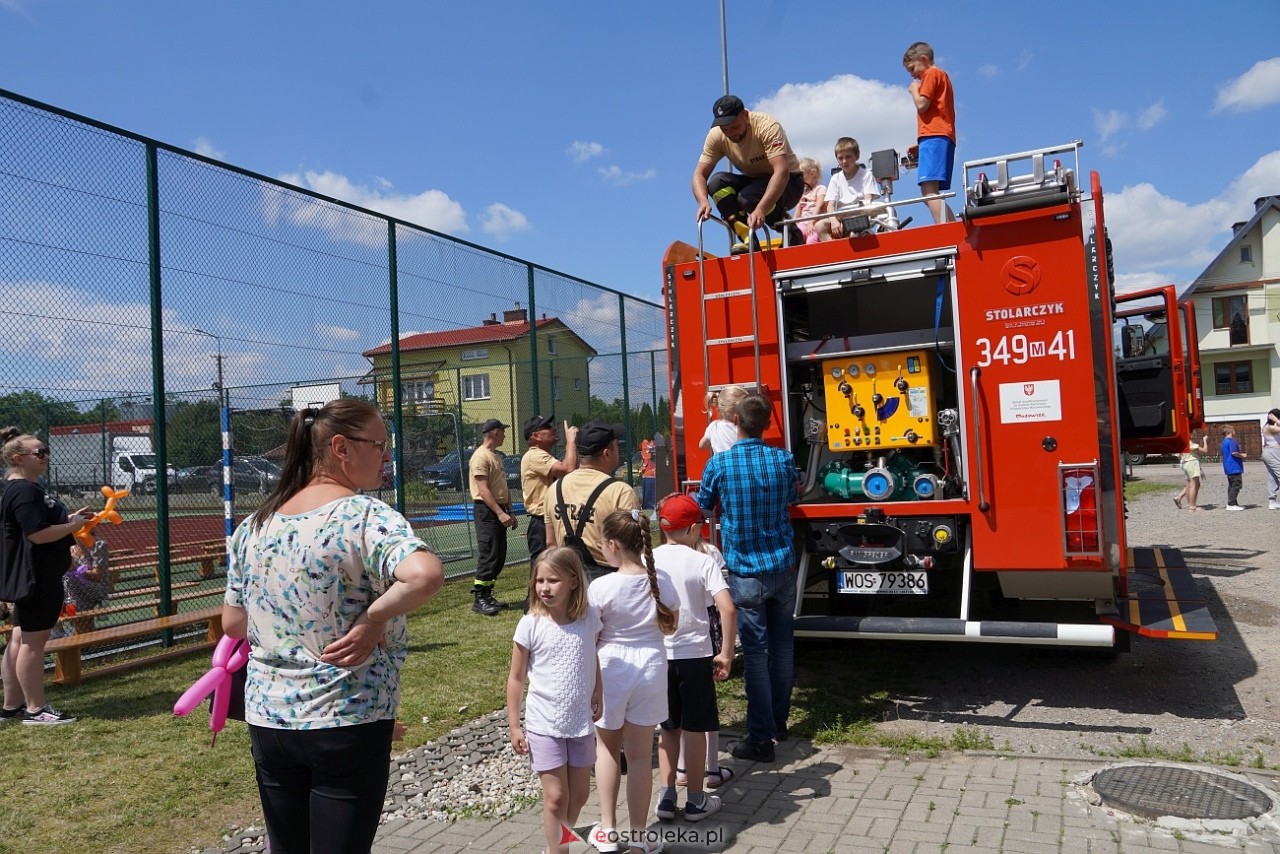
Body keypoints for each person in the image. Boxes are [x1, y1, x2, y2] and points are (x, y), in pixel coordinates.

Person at [222, 400, 444, 854]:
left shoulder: (255, 524)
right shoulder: (364, 516)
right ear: (341, 447)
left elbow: (233, 621)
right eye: (380, 445)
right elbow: (424, 575)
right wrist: (372, 618)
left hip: (270, 718)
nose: (388, 456)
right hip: (347, 715)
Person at [695, 393, 798, 763]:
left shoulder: (720, 464)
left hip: (746, 568)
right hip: (782, 565)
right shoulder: (783, 459)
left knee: (756, 652)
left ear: (734, 419)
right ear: (768, 423)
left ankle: (760, 737)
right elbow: (790, 497)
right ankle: (778, 721)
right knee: (783, 644)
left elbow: (703, 507)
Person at [587, 509, 678, 854]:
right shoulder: (661, 580)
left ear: (612, 544)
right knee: (640, 756)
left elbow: (591, 635)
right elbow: (671, 624)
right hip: (653, 666)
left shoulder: (601, 586)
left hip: (611, 668)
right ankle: (639, 839)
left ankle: (608, 832)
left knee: (607, 749)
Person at [506, 546, 603, 854]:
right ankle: (559, 850)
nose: (544, 588)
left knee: (580, 795)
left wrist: (598, 689)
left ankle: (557, 840)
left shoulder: (589, 619)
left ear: (574, 581)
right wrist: (514, 725)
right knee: (556, 797)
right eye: (539, 581)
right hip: (543, 723)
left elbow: (593, 656)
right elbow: (516, 678)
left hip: (579, 722)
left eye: (553, 581)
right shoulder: (530, 624)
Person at [653, 493, 736, 824]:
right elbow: (727, 608)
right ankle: (697, 800)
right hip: (695, 655)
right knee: (696, 728)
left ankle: (666, 792)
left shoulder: (652, 559)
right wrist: (726, 653)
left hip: (660, 656)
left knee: (668, 728)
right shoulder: (703, 561)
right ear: (691, 529)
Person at [1, 428, 90, 725]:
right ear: (18, 458)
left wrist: (67, 521)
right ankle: (36, 709)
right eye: (39, 452)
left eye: (46, 451)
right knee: (32, 643)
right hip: (36, 577)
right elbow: (37, 534)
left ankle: (12, 705)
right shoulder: (24, 490)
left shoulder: (25, 488)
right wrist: (72, 526)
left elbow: (40, 525)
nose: (45, 456)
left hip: (37, 575)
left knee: (19, 639)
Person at [692, 94, 806, 252]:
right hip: (754, 181)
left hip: (790, 182)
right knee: (716, 183)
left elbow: (781, 171)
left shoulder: (766, 126)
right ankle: (749, 240)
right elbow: (699, 174)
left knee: (748, 197)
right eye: (725, 130)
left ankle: (792, 232)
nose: (731, 133)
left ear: (745, 115)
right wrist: (703, 201)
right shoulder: (716, 135)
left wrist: (760, 209)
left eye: (735, 127)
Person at [545, 421, 639, 584]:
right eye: (617, 446)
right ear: (607, 453)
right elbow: (632, 548)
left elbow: (550, 543)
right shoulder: (620, 491)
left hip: (568, 578)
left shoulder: (555, 488)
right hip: (609, 579)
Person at [903, 41, 956, 224]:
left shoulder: (932, 74)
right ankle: (950, 225)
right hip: (936, 137)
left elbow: (922, 105)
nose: (912, 74)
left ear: (923, 59)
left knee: (928, 191)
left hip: (934, 136)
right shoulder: (942, 76)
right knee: (931, 191)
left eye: (912, 67)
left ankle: (945, 228)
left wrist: (914, 91)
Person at [471, 418, 518, 616]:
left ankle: (488, 595)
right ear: (494, 433)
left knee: (498, 555)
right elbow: (483, 490)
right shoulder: (480, 457)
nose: (505, 435)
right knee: (489, 553)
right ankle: (479, 599)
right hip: (486, 510)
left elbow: (503, 487)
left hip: (499, 508)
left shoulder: (497, 456)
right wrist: (499, 513)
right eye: (503, 431)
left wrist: (510, 511)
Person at [520, 415, 579, 571]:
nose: (553, 428)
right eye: (547, 427)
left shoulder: (544, 456)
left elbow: (570, 471)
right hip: (541, 522)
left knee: (555, 567)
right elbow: (569, 469)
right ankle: (534, 596)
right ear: (535, 436)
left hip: (552, 519)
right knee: (543, 568)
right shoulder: (535, 455)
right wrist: (571, 441)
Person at [814, 137, 883, 241]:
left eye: (848, 157)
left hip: (860, 216)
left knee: (853, 234)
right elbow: (830, 206)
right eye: (840, 158)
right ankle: (834, 252)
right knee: (819, 226)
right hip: (842, 217)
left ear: (857, 156)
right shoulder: (835, 178)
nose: (844, 161)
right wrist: (833, 221)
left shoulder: (866, 175)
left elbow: (867, 201)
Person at [699, 385, 748, 456]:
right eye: (744, 409)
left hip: (720, 465)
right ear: (729, 411)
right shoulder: (741, 428)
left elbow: (702, 446)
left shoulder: (713, 426)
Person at [794, 158, 827, 245]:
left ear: (812, 173)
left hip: (816, 221)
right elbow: (797, 214)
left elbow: (818, 206)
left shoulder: (820, 189)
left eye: (802, 175)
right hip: (803, 223)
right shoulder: (801, 193)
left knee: (811, 241)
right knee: (795, 236)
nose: (799, 178)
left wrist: (811, 222)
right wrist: (793, 226)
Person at [1173, 435, 1208, 512]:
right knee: (1194, 485)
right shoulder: (1191, 444)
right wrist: (1204, 440)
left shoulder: (1181, 445)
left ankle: (1183, 499)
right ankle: (1192, 506)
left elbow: (1178, 456)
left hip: (1185, 463)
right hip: (1192, 463)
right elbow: (1205, 450)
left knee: (1191, 484)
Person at [1221, 424, 1247, 510]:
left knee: (1231, 485)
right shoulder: (1231, 441)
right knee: (1236, 485)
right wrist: (1242, 455)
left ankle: (1233, 503)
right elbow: (1234, 453)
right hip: (1234, 467)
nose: (1234, 431)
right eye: (1233, 430)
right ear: (1230, 431)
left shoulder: (1224, 441)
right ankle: (1231, 504)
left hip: (1228, 467)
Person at [1262, 409, 1280, 511]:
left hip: (1273, 452)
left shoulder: (1274, 427)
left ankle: (1272, 502)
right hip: (1272, 452)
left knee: (1273, 478)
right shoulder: (1269, 427)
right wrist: (1276, 419)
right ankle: (1272, 501)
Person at [639, 437, 657, 510]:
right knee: (648, 501)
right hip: (648, 476)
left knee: (649, 501)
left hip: (651, 476)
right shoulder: (645, 444)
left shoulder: (649, 445)